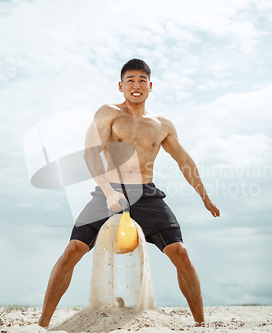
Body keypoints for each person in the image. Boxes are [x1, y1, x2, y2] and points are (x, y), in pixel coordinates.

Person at [38, 59, 220, 328]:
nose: (137, 85)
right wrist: (109, 192)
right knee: (71, 251)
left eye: (142, 80)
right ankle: (41, 325)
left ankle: (200, 325)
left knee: (180, 254)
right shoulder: (108, 113)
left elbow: (185, 161)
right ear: (121, 86)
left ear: (150, 86)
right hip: (108, 192)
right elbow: (90, 153)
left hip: (146, 195)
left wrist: (204, 196)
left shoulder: (162, 125)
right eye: (131, 80)